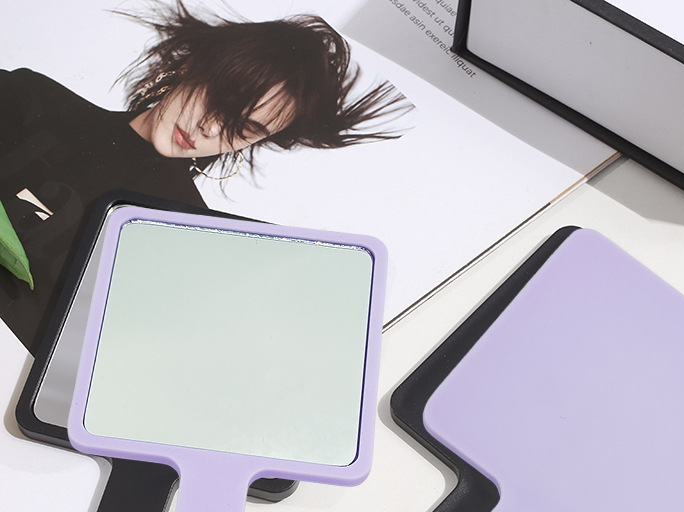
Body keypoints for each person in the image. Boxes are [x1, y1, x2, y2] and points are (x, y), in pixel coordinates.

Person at [0, 2, 409, 352]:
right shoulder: (29, 97)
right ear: (195, 66)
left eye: (244, 128)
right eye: (221, 98)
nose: (211, 129)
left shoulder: (190, 236)